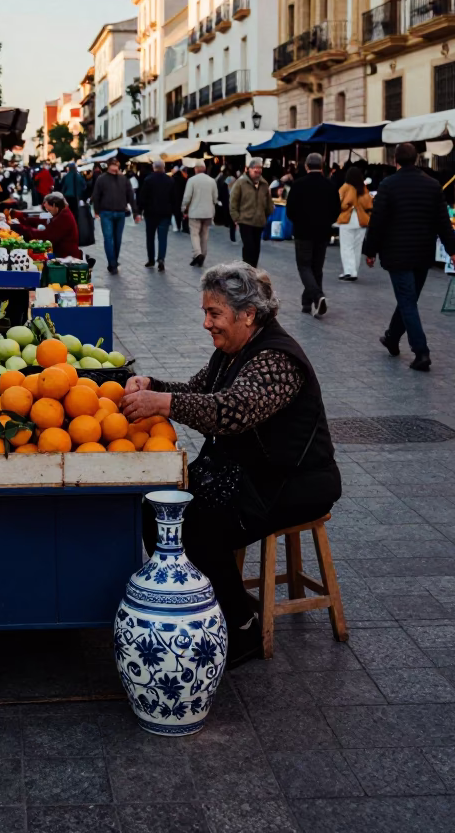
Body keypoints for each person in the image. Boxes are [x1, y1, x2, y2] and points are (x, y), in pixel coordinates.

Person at [121, 261, 341, 667]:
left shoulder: (277, 359)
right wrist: (153, 386)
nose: (207, 323)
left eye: (214, 313)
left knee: (197, 523)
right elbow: (194, 392)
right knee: (159, 512)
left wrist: (164, 404)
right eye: (206, 312)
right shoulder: (231, 352)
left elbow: (232, 411)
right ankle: (219, 603)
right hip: (247, 473)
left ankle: (242, 626)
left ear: (248, 315)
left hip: (293, 481)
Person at [363, 142, 455, 371]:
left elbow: (377, 222)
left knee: (407, 301)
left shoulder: (388, 185)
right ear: (416, 159)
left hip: (397, 254)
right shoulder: (432, 185)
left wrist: (370, 251)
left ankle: (421, 352)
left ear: (395, 160)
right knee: (409, 299)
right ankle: (391, 337)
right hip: (422, 254)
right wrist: (454, 253)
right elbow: (443, 223)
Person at [285, 153, 341, 317]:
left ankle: (317, 296)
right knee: (316, 268)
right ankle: (307, 303)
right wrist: (327, 222)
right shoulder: (330, 185)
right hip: (323, 232)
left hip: (303, 232)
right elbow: (336, 209)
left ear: (307, 166)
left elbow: (290, 210)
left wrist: (298, 221)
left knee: (304, 266)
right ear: (322, 166)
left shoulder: (298, 185)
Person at [91, 156, 140, 273]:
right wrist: (97, 211)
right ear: (109, 166)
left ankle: (114, 261)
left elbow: (131, 196)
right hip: (106, 213)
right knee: (108, 239)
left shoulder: (123, 179)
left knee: (117, 239)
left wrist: (136, 213)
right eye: (114, 165)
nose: (116, 167)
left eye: (117, 165)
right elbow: (96, 196)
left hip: (120, 213)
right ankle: (112, 264)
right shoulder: (102, 179)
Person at [230, 159, 273, 268]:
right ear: (249, 169)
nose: (258, 173)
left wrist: (267, 213)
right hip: (245, 220)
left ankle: (253, 269)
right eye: (255, 170)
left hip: (259, 222)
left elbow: (268, 201)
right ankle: (246, 269)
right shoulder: (241, 182)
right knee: (249, 246)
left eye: (260, 170)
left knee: (256, 248)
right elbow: (233, 201)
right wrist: (236, 217)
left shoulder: (264, 184)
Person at [138, 160, 178, 271]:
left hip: (150, 214)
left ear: (153, 167)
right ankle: (161, 259)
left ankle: (151, 260)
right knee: (163, 238)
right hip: (165, 213)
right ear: (164, 167)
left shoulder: (148, 180)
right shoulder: (169, 180)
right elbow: (174, 198)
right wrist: (175, 212)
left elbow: (143, 197)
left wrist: (139, 210)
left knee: (150, 237)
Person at [16, 191, 80, 258]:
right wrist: (25, 218)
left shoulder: (64, 216)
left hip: (67, 256)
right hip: (61, 252)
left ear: (55, 205)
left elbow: (47, 235)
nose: (48, 212)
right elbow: (41, 218)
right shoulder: (59, 212)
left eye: (49, 210)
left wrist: (24, 229)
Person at [337, 168, 374, 281]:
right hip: (361, 220)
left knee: (346, 247)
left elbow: (340, 202)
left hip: (347, 219)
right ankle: (354, 271)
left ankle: (349, 271)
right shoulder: (363, 188)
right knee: (357, 247)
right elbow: (368, 204)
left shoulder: (345, 187)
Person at [182, 161, 219, 268]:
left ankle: (198, 253)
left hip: (195, 212)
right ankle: (203, 255)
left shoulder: (192, 180)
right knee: (204, 235)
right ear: (205, 168)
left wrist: (183, 208)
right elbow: (215, 198)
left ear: (196, 169)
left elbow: (187, 197)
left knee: (194, 234)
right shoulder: (212, 181)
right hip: (208, 212)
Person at [170, 166, 187, 231]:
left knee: (174, 213)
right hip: (181, 198)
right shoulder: (183, 179)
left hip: (174, 198)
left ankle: (176, 227)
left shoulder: (172, 179)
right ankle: (181, 226)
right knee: (180, 212)